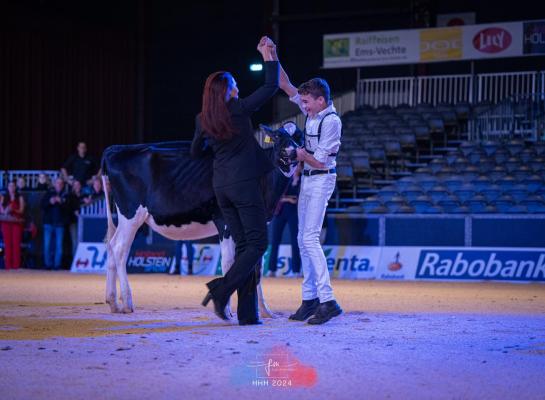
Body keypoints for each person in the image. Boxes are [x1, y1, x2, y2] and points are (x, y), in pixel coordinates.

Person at [191, 36, 278, 325]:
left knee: (244, 248)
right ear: (226, 91)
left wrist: (214, 144)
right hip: (244, 186)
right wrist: (268, 55)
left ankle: (247, 314)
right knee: (258, 245)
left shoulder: (203, 119)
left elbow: (195, 150)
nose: (238, 88)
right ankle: (221, 289)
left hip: (222, 187)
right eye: (234, 85)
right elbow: (270, 86)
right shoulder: (238, 109)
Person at [272, 43, 343, 324]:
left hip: (322, 179)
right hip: (309, 182)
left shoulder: (332, 121)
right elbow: (285, 83)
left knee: (310, 238)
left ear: (320, 101)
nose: (302, 105)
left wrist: (299, 154)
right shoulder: (314, 113)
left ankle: (328, 301)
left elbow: (322, 162)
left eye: (306, 102)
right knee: (303, 239)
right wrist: (271, 56)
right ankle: (309, 299)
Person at [267, 169, 302, 277]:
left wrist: (288, 199)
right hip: (280, 212)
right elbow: (278, 195)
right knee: (275, 241)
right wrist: (289, 199)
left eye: (298, 166)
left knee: (295, 242)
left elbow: (299, 199)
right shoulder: (286, 179)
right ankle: (271, 270)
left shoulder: (302, 180)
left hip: (294, 213)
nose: (297, 168)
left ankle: (296, 270)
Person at [41, 178, 70, 270]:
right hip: (48, 223)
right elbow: (42, 205)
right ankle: (47, 265)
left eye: (61, 183)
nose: (59, 185)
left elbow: (69, 208)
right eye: (57, 183)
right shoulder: (48, 193)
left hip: (60, 224)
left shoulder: (66, 194)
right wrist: (50, 201)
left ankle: (57, 265)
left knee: (59, 246)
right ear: (54, 184)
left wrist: (61, 202)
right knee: (47, 245)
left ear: (63, 185)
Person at [0, 181, 25, 269]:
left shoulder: (20, 197)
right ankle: (8, 265)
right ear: (8, 187)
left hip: (16, 222)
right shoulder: (3, 197)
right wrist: (6, 210)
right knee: (7, 244)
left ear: (15, 187)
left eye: (13, 186)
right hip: (6, 222)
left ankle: (16, 265)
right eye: (10, 186)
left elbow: (22, 210)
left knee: (16, 244)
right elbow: (1, 210)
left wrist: (13, 210)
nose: (11, 187)